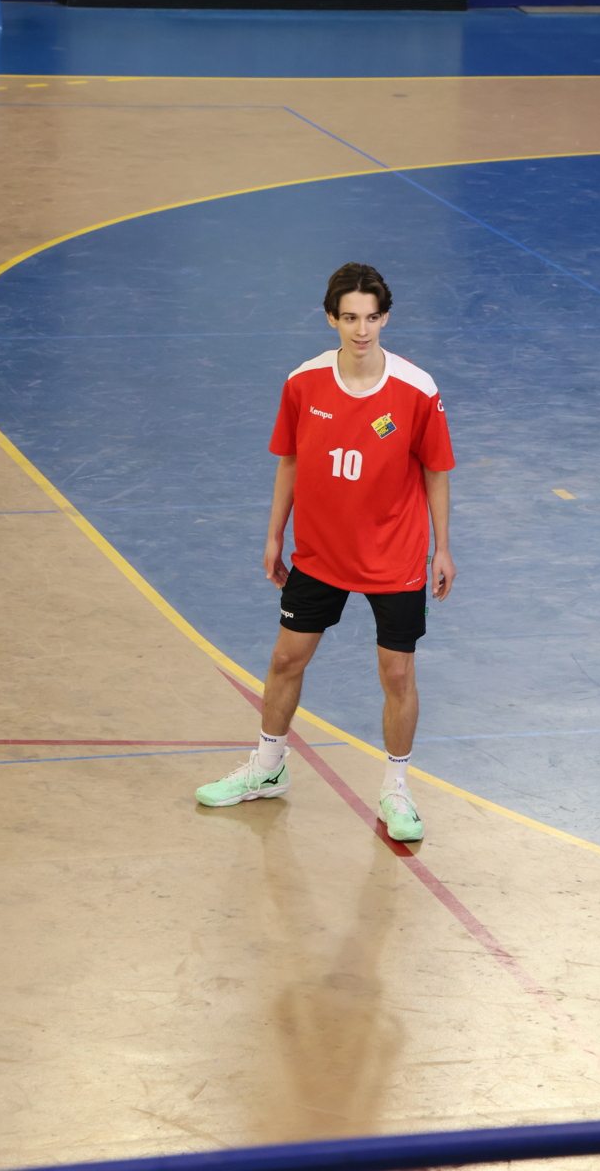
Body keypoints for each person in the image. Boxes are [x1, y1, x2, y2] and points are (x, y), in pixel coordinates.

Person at [196, 263, 456, 841]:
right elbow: (290, 460)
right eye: (350, 318)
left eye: (372, 317)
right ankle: (268, 768)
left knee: (397, 672)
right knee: (286, 660)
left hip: (395, 554)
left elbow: (436, 470)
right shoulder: (303, 382)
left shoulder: (417, 389)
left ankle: (396, 790)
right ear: (331, 318)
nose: (362, 330)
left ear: (385, 318)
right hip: (319, 553)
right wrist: (274, 535)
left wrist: (443, 548)